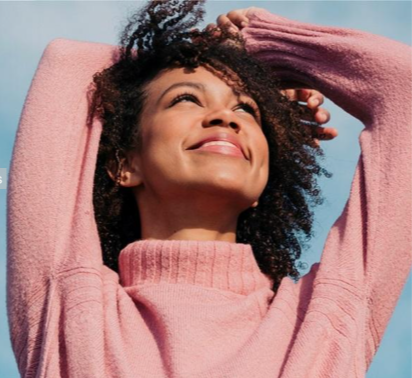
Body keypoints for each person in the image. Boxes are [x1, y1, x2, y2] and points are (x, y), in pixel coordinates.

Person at [6, 1, 411, 377]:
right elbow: (70, 64)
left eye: (246, 109)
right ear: (124, 165)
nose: (224, 117)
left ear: (263, 182)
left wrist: (263, 44)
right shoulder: (68, 305)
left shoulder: (324, 318)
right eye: (185, 99)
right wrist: (205, 55)